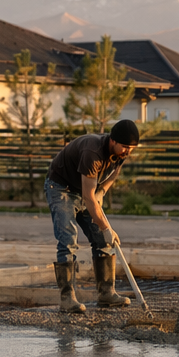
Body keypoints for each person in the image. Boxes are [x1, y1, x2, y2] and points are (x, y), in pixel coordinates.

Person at [44, 119, 140, 313]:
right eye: (125, 147)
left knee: (102, 241)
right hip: (62, 188)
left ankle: (106, 294)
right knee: (68, 240)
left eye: (131, 148)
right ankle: (67, 298)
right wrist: (107, 227)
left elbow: (112, 175)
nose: (128, 152)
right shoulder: (93, 152)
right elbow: (88, 198)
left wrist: (102, 191)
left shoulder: (120, 153)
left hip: (85, 190)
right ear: (112, 141)